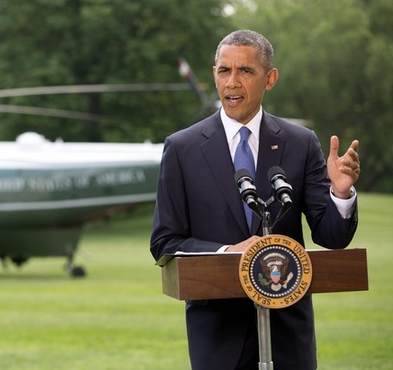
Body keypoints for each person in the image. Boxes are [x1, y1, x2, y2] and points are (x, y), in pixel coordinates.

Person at [150, 29, 360, 370]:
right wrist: (226, 253)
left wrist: (340, 192)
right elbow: (164, 242)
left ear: (270, 78)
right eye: (224, 71)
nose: (232, 82)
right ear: (214, 74)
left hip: (288, 335)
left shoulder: (300, 142)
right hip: (218, 336)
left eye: (245, 71)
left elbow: (331, 236)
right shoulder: (182, 148)